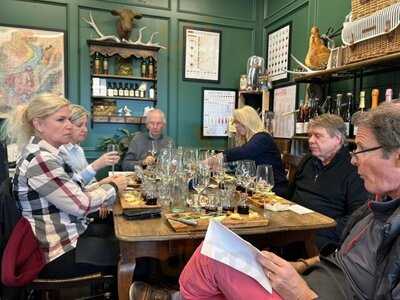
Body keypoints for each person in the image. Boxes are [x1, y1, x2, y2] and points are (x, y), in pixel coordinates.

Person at [179, 102, 400, 299]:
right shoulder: (379, 208)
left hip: (307, 292)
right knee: (213, 249)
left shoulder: (375, 203)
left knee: (209, 259)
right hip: (311, 277)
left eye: (361, 149)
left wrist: (300, 293)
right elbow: (342, 258)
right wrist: (301, 265)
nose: (354, 159)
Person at [2, 93, 127, 278]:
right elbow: (81, 205)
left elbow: (74, 189)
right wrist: (114, 187)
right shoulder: (40, 159)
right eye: (61, 120)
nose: (69, 125)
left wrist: (104, 185)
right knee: (133, 255)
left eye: (69, 119)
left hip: (62, 236)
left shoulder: (45, 152)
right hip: (53, 251)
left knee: (117, 235)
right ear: (38, 124)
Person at [287, 114, 368, 250]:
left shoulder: (353, 169)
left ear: (337, 139)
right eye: (310, 135)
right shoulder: (308, 160)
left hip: (322, 239)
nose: (311, 140)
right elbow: (289, 195)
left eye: (318, 136)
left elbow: (356, 218)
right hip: (291, 227)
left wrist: (315, 229)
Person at [208, 105, 287, 197]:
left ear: (247, 122)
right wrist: (220, 166)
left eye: (237, 122)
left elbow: (244, 152)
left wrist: (216, 158)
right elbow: (241, 164)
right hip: (258, 190)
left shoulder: (263, 137)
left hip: (275, 192)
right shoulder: (252, 140)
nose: (235, 126)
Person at [59, 104, 120, 219]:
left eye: (85, 125)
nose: (85, 130)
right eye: (79, 125)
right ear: (67, 126)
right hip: (76, 214)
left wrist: (103, 193)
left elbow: (90, 182)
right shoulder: (61, 152)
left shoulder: (78, 149)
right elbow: (75, 187)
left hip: (91, 201)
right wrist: (97, 165)